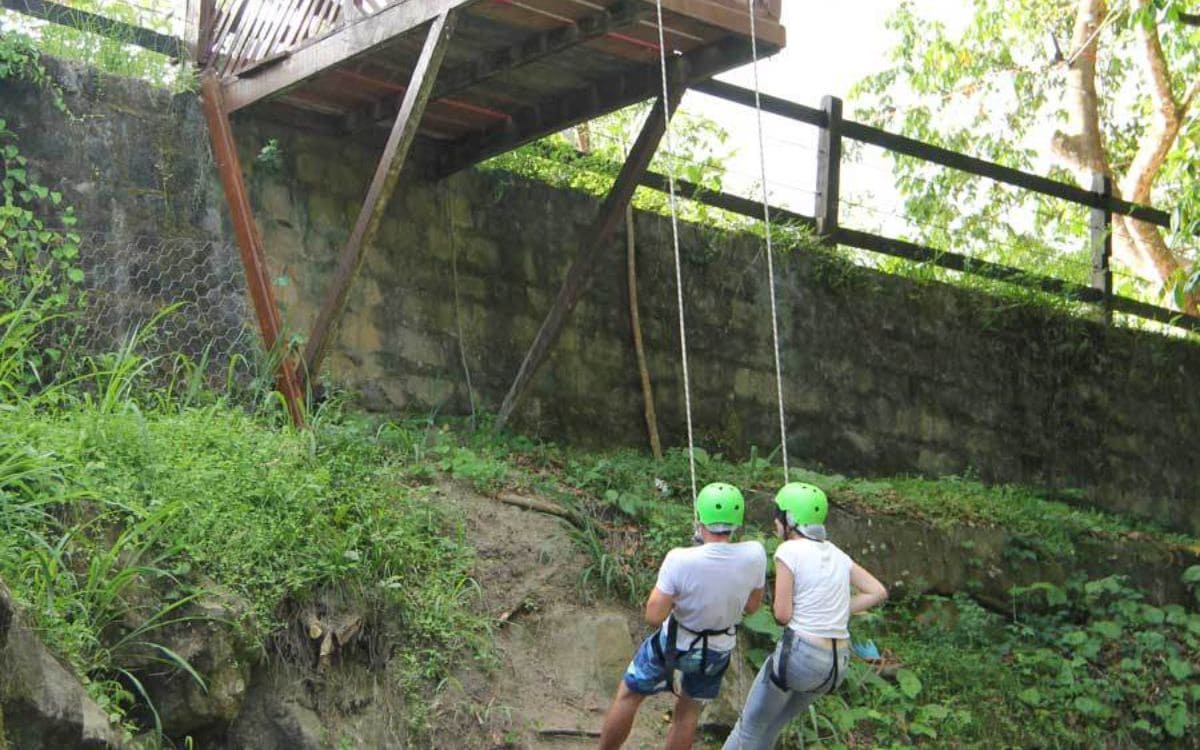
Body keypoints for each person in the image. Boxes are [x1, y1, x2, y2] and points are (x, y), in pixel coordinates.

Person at [598, 482, 768, 750]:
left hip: (675, 644)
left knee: (629, 695)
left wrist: (681, 597)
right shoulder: (755, 554)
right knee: (688, 713)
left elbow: (653, 616)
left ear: (700, 519)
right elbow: (751, 607)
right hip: (716, 650)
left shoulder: (680, 559)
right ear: (737, 521)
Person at [722, 482, 888, 750]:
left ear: (789, 519)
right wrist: (836, 610)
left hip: (802, 658)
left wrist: (815, 611)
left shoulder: (789, 551)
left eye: (778, 515)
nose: (775, 523)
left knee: (749, 727)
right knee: (771, 727)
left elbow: (782, 615)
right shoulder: (836, 553)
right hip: (836, 665)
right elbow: (877, 591)